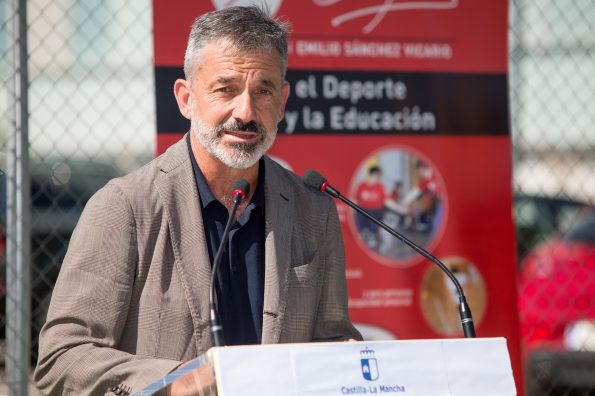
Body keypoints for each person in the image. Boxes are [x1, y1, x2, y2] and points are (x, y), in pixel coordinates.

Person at [34, 6, 361, 395]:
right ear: (186, 98)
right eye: (226, 89)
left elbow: (332, 340)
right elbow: (62, 357)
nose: (246, 112)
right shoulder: (124, 207)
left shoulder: (314, 211)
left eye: (263, 91)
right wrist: (172, 382)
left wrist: (347, 357)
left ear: (283, 101)